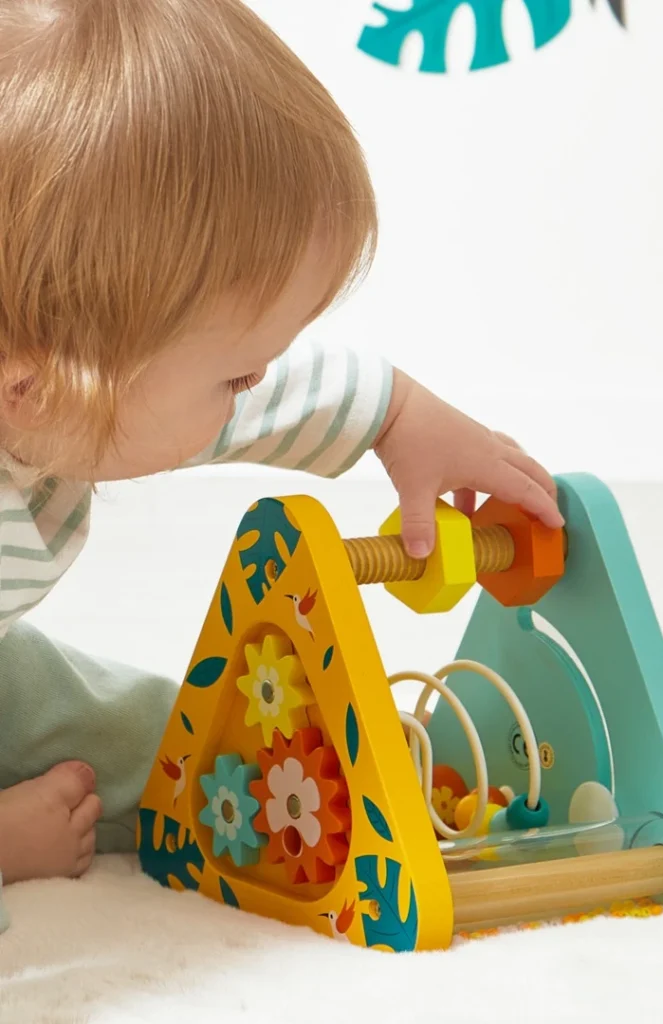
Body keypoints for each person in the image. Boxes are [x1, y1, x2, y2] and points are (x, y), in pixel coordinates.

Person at [0, 0, 562, 932]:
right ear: (40, 389)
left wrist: (399, 416)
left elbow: (277, 401)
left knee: (178, 748)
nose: (253, 388)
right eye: (233, 374)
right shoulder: (75, 380)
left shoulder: (66, 378)